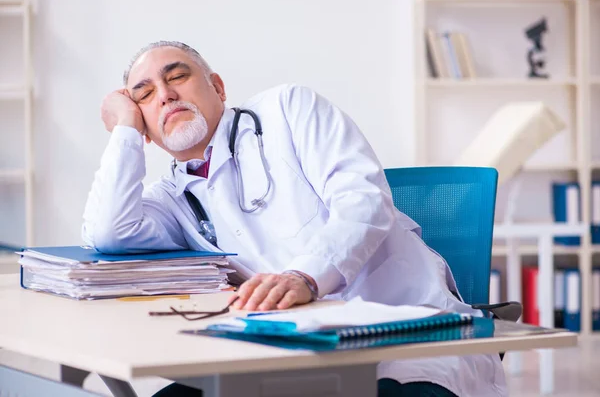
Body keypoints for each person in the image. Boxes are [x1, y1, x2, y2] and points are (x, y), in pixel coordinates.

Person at [82, 41, 507, 397]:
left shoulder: (288, 110)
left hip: (405, 342)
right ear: (145, 127)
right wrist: (123, 129)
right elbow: (108, 232)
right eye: (144, 94)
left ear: (218, 87)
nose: (165, 94)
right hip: (282, 357)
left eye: (176, 76)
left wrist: (305, 276)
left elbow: (363, 200)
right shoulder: (173, 199)